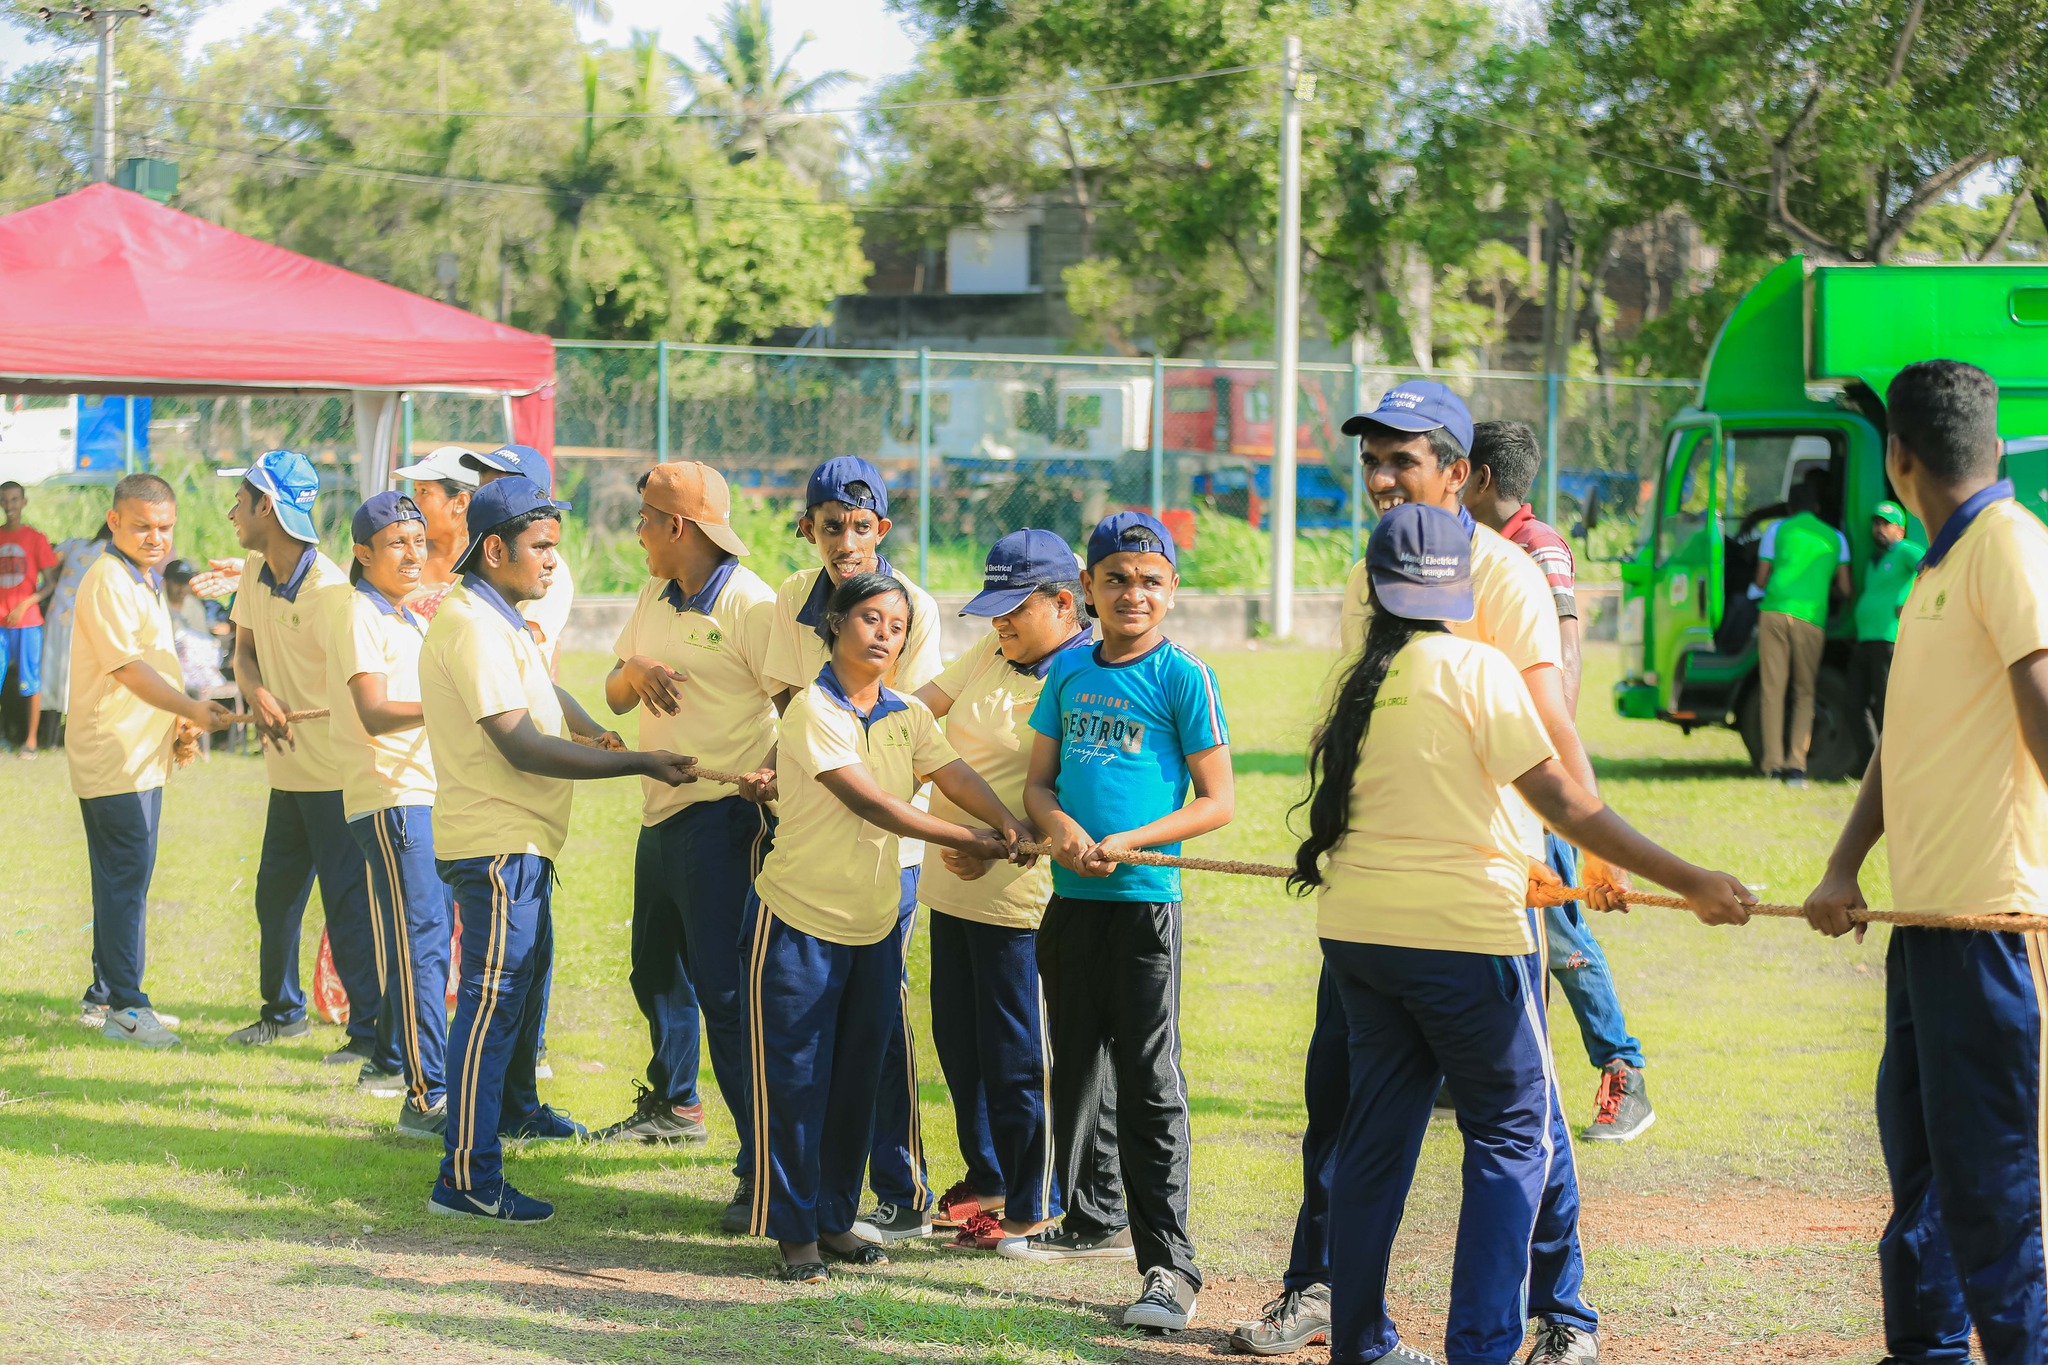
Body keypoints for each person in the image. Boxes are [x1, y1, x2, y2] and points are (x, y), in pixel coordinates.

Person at [1294, 501, 1752, 1365]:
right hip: (1463, 942)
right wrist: (1689, 880)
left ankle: (1360, 1344)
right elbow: (1564, 800)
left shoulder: (1360, 680)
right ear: (1459, 587)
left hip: (1358, 934)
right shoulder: (1476, 666)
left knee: (1376, 1138)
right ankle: (1481, 1349)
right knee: (1514, 1136)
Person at [1235, 383, 1621, 1361]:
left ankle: (1560, 1314)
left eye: (1400, 460)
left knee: (1518, 1125)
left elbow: (1548, 734)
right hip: (1387, 896)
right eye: (1369, 461)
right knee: (1366, 1111)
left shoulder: (1500, 579)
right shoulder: (1374, 573)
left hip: (1486, 893)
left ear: (1459, 473)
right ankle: (1319, 1295)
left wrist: (1581, 859)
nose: (1379, 479)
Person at [1803, 360, 2048, 1365]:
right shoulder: (1939, 569)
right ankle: (1924, 1351)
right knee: (1920, 1181)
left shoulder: (2005, 547)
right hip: (1923, 928)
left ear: (1898, 461)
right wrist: (1841, 866)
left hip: (1989, 930)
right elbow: (1902, 743)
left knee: (1990, 1194)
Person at [419, 474, 696, 1224]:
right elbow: (520, 744)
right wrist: (637, 761)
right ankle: (468, 1177)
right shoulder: (471, 623)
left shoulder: (503, 616)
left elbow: (540, 694)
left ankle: (500, 1129)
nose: (551, 562)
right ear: (495, 547)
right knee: (489, 1009)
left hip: (522, 845)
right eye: (540, 548)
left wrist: (587, 726)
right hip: (498, 845)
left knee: (507, 1004)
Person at [744, 571, 1032, 1281]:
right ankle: (795, 1235)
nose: (884, 633)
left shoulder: (907, 711)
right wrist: (960, 838)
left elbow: (952, 770)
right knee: (796, 1082)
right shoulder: (812, 708)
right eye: (869, 618)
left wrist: (1000, 819)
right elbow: (871, 803)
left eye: (897, 625)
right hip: (798, 925)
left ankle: (835, 1218)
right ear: (835, 625)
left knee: (856, 1081)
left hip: (873, 927)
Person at [1008, 509, 1234, 1334]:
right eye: (1116, 579)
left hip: (1144, 913)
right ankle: (1091, 1212)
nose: (1132, 593)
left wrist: (1132, 839)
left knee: (1149, 1088)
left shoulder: (1183, 676)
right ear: (1087, 591)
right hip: (1071, 908)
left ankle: (1169, 1268)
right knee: (1076, 1071)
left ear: (1171, 589)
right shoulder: (1069, 675)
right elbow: (1040, 784)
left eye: (1149, 579)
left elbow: (1219, 801)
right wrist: (1060, 828)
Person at [594, 462, 779, 1239]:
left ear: (679, 528)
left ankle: (762, 1166)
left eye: (643, 517)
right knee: (654, 971)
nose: (635, 529)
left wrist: (775, 774)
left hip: (722, 822)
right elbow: (611, 688)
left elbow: (797, 700)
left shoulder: (751, 603)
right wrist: (633, 671)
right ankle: (677, 1104)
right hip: (659, 814)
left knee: (731, 998)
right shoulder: (652, 595)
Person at [762, 456, 944, 1244]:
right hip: (808, 870)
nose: (845, 539)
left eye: (860, 525)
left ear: (883, 529)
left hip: (893, 863)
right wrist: (808, 756)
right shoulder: (790, 607)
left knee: (869, 1046)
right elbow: (789, 706)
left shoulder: (914, 607)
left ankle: (882, 1194)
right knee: (799, 1059)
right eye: (830, 524)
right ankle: (793, 1221)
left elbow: (920, 713)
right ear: (810, 528)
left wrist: (995, 826)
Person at [1460, 419, 1652, 1142]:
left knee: (1561, 925)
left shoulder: (1534, 547)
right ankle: (1486, 1063)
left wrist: (1557, 777)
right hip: (1490, 769)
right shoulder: (1480, 549)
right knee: (1493, 912)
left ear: (1478, 477)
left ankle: (1623, 1071)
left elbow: (1562, 660)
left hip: (1531, 771)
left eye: (1454, 468)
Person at [912, 529, 1093, 1251]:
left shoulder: (1082, 671)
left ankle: (1034, 1197)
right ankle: (987, 1177)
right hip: (952, 887)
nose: (1000, 623)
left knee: (1020, 1056)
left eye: (1015, 609)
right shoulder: (992, 651)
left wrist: (1007, 838)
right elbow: (915, 710)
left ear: (1063, 601)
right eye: (994, 608)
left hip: (1023, 899)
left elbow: (1077, 786)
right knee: (961, 1043)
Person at [220, 450, 390, 1067]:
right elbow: (243, 653)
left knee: (347, 908)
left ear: (268, 505)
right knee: (275, 897)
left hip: (336, 778)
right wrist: (258, 693)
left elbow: (361, 687)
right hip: (286, 775)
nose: (232, 511)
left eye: (240, 500)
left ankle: (370, 1034)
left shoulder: (332, 595)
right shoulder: (253, 569)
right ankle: (283, 1014)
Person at [68, 474, 235, 1046]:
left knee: (121, 877)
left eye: (164, 527)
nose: (155, 537)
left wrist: (180, 719)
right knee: (126, 879)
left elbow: (154, 663)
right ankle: (127, 1008)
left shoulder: (145, 577)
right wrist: (190, 704)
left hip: (140, 755)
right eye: (142, 526)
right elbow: (126, 669)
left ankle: (103, 994)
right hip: (114, 754)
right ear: (114, 522)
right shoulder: (108, 579)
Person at [331, 492, 451, 1134]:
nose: (413, 554)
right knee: (419, 945)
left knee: (429, 943)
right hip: (390, 794)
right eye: (397, 543)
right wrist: (454, 706)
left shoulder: (408, 617)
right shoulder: (360, 615)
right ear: (362, 554)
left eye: (419, 541)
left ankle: (426, 1081)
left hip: (425, 792)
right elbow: (375, 712)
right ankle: (425, 1095)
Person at [1751, 468, 1850, 787]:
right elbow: (1846, 589)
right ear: (1818, 508)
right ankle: (1796, 768)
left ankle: (1772, 765)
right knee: (1804, 692)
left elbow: (1761, 579)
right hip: (1811, 618)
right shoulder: (1835, 538)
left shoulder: (1776, 529)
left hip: (1774, 612)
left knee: (1772, 690)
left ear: (1790, 507)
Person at [460, 445, 576, 666]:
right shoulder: (481, 554)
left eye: (498, 491)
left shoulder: (551, 571)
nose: (483, 502)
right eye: (481, 492)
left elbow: (531, 633)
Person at [1848, 499, 1923, 747]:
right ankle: (1871, 763)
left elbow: (1933, 567)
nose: (1879, 528)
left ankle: (1892, 762)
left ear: (1900, 530)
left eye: (1886, 524)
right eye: (1876, 523)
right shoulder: (1873, 560)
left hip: (1887, 637)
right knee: (1855, 702)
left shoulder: (1905, 550)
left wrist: (1913, 601)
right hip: (1865, 637)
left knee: (1885, 704)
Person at [1, 479, 60, 755]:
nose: (10, 505)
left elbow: (49, 583)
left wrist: (26, 603)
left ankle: (31, 741)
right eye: (5, 500)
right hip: (1, 622)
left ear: (23, 502)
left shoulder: (36, 539)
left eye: (15, 500)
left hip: (28, 623)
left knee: (30, 680)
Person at [390, 445, 479, 619]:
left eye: (424, 491)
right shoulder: (402, 554)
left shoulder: (487, 562)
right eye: (415, 490)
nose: (414, 501)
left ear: (460, 502)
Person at [39, 523, 111, 732]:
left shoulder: (73, 544)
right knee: (80, 679)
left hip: (58, 616)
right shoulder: (113, 555)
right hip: (86, 622)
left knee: (53, 674)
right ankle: (76, 733)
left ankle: (49, 736)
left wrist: (53, 582)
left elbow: (46, 561)